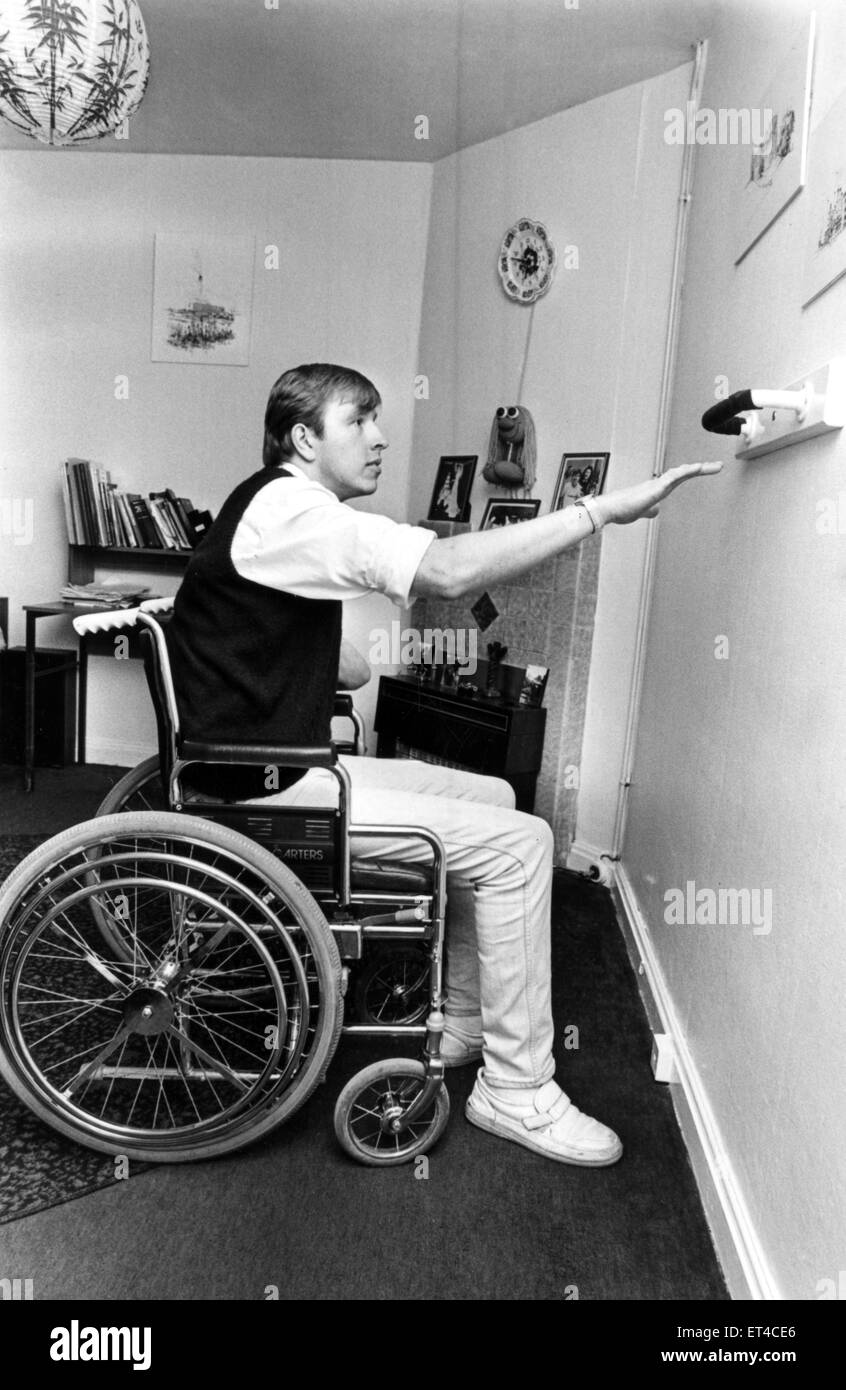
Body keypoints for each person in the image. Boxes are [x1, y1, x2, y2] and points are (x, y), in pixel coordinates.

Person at [167, 363, 721, 1166]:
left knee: (497, 792)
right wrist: (599, 511)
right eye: (359, 420)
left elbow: (352, 671)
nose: (381, 435)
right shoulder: (292, 507)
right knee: (523, 842)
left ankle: (464, 1018)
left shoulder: (272, 510)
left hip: (275, 764)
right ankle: (518, 1091)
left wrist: (306, 622)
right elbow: (453, 573)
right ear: (303, 438)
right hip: (270, 789)